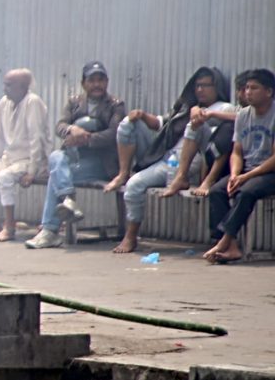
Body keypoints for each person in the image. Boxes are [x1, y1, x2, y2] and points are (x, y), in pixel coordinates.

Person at [108, 67, 230, 253]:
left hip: (192, 161)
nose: (200, 89)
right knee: (127, 123)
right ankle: (123, 172)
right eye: (197, 85)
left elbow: (239, 120)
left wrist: (205, 114)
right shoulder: (186, 108)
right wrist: (141, 115)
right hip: (164, 156)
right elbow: (162, 124)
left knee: (134, 186)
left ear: (217, 87)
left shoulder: (223, 107)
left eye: (206, 85)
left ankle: (130, 237)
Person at [26, 61, 126, 249]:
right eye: (92, 80)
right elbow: (60, 126)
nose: (97, 85)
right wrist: (72, 129)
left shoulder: (116, 105)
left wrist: (86, 138)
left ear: (107, 82)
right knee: (56, 157)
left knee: (56, 173)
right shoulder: (74, 102)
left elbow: (114, 134)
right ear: (83, 83)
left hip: (101, 163)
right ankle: (67, 200)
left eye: (101, 80)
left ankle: (50, 231)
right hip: (75, 159)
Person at [202, 69, 275, 264]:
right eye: (246, 88)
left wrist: (246, 177)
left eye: (254, 88)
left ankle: (224, 241)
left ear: (268, 92)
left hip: (269, 172)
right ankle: (231, 246)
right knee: (218, 190)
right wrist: (235, 174)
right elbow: (236, 151)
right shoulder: (243, 115)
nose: (248, 92)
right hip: (247, 170)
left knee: (246, 192)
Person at [0, 68, 50, 241]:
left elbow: (37, 138)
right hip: (9, 159)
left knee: (5, 177)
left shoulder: (33, 102)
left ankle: (9, 227)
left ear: (23, 87)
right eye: (5, 84)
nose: (4, 88)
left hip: (29, 161)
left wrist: (33, 171)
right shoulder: (4, 102)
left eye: (9, 85)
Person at [160, 70, 244, 198]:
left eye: (205, 86)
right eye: (241, 89)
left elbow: (241, 118)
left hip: (230, 160)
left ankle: (208, 180)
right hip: (208, 154)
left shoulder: (226, 107)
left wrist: (211, 114)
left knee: (227, 129)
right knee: (195, 124)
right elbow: (161, 122)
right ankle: (181, 176)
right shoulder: (191, 109)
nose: (244, 93)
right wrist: (196, 110)